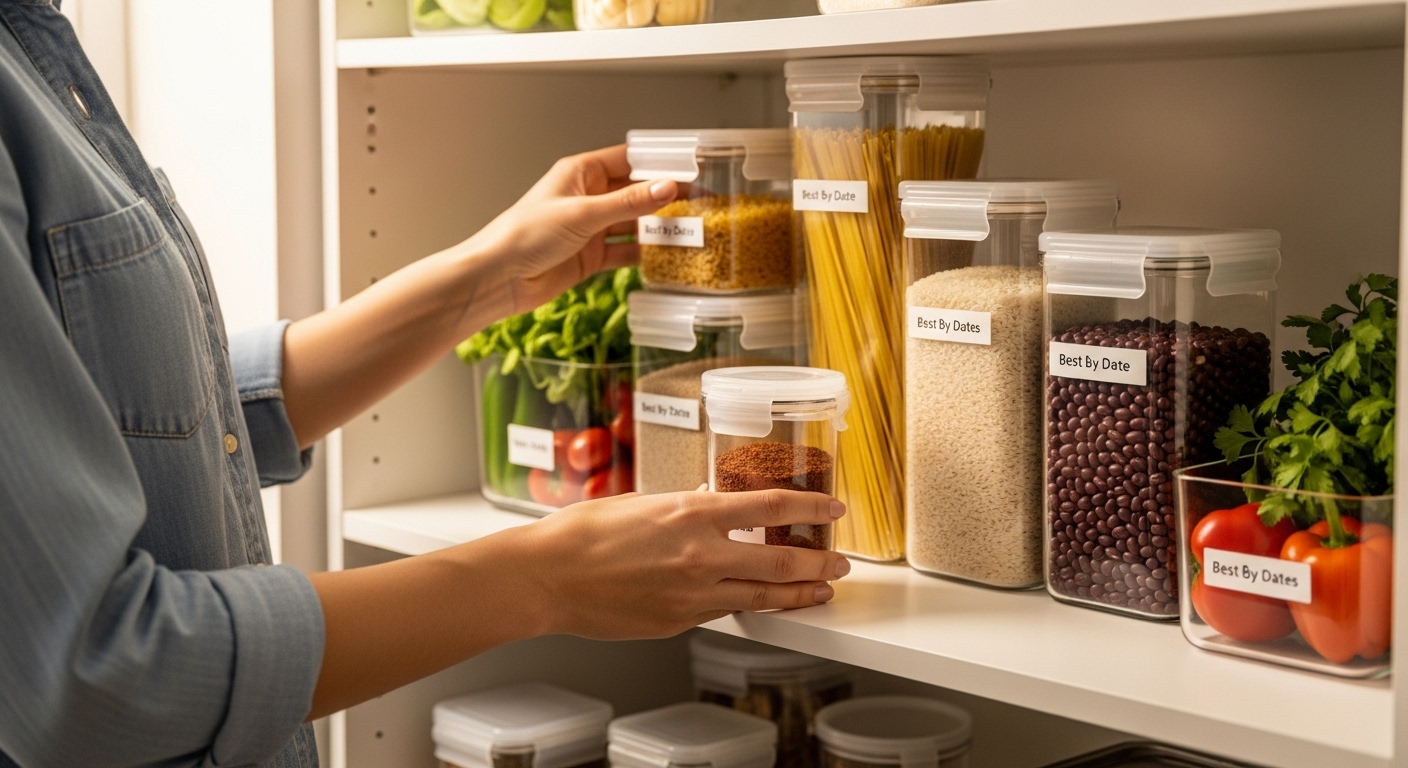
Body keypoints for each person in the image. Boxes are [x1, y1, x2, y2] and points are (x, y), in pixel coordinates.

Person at [0, 3, 852, 767]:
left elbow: (176, 427)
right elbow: (91, 676)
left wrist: (490, 278)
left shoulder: (32, 42)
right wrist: (546, 576)